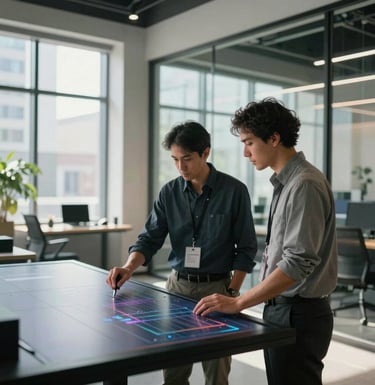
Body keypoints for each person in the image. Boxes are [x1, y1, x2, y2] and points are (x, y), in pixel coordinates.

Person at [193, 98, 338, 385]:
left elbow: (297, 263)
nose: (245, 152)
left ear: (274, 138)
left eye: (249, 142)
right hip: (283, 308)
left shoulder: (304, 184)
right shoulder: (285, 182)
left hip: (300, 311)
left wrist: (240, 302)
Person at [106, 120, 257, 385]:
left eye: (186, 159)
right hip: (177, 287)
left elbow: (246, 249)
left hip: (217, 289)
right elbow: (149, 238)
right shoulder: (169, 192)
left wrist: (231, 293)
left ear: (206, 153)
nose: (180, 167)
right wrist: (129, 267)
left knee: (217, 372)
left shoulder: (234, 191)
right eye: (175, 159)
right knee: (174, 371)